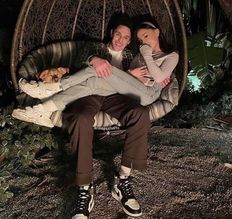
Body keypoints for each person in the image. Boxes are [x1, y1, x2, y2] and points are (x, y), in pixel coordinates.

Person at [14, 13, 151, 219]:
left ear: (130, 40)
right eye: (117, 34)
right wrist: (94, 59)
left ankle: (123, 182)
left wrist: (153, 79)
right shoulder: (96, 47)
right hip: (89, 94)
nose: (120, 40)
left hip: (115, 97)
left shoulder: (131, 58)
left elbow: (142, 80)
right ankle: (85, 188)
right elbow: (82, 58)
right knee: (80, 118)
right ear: (111, 33)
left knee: (140, 114)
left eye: (126, 37)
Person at [12, 19, 179, 128]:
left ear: (157, 33)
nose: (144, 42)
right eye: (141, 40)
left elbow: (158, 76)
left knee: (102, 68)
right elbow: (125, 78)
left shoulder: (164, 55)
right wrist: (96, 59)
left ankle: (53, 87)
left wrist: (152, 61)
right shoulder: (129, 54)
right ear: (112, 33)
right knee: (94, 80)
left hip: (143, 94)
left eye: (146, 37)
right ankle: (43, 110)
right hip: (117, 89)